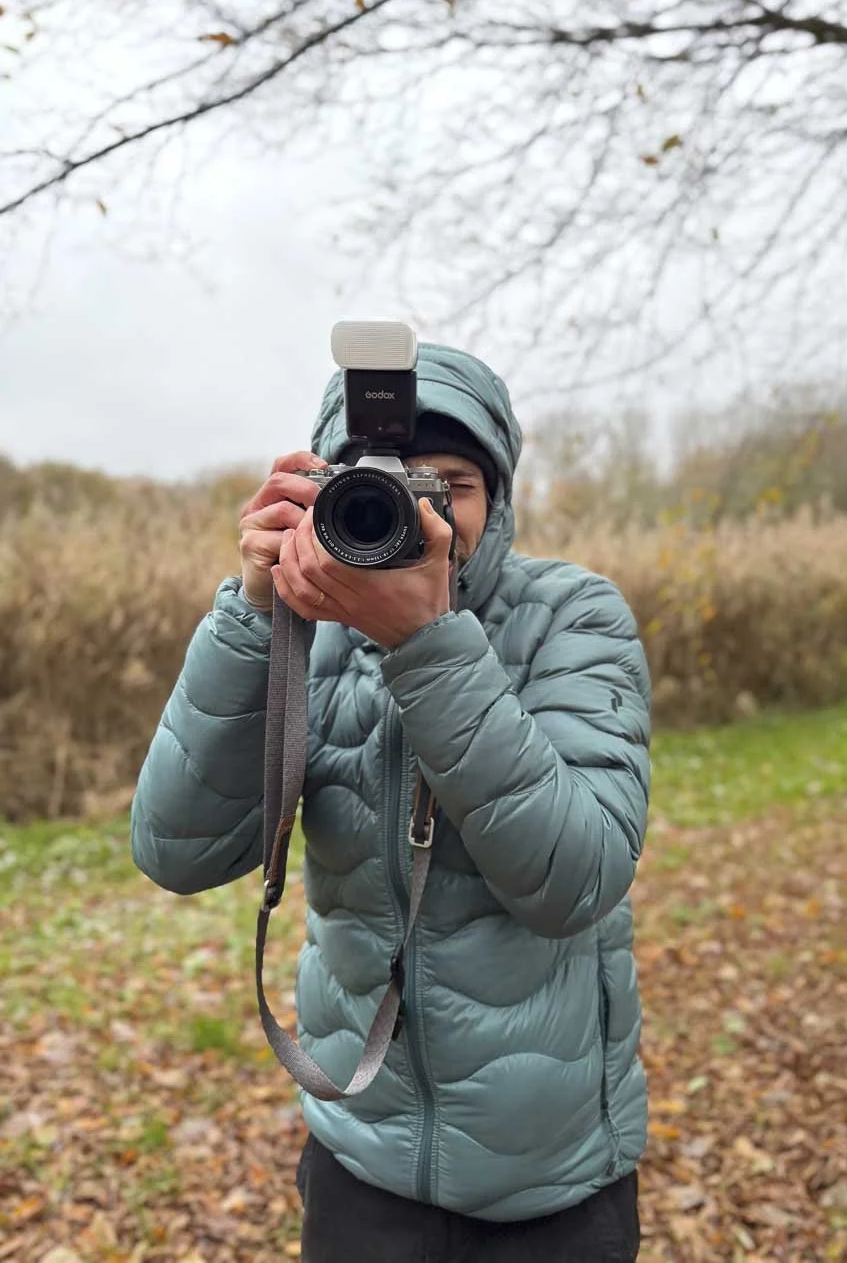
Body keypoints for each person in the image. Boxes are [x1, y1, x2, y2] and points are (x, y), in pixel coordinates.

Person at [131, 343, 652, 1262]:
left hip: (554, 1181)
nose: (420, 511)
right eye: (383, 485)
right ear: (320, 492)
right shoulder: (305, 636)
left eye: (451, 483)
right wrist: (254, 610)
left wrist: (428, 643)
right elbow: (175, 848)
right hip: (361, 1163)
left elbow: (577, 879)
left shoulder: (574, 615)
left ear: (501, 497)